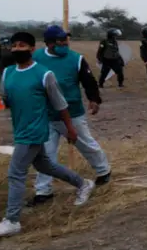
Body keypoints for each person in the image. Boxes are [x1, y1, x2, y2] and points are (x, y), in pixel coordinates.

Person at [0, 32, 96, 238]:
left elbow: (60, 104)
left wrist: (70, 128)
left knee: (16, 173)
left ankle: (12, 220)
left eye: (22, 45)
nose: (17, 49)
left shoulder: (44, 74)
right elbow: (7, 102)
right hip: (20, 128)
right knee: (46, 166)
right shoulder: (8, 73)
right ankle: (83, 183)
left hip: (34, 130)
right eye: (14, 46)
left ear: (32, 49)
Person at [29, 25, 111, 206]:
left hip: (72, 112)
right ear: (49, 43)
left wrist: (94, 99)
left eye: (66, 40)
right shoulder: (36, 59)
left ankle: (103, 171)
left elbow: (88, 80)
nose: (65, 44)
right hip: (46, 114)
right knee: (45, 154)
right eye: (61, 41)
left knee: (86, 144)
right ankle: (43, 191)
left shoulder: (76, 59)